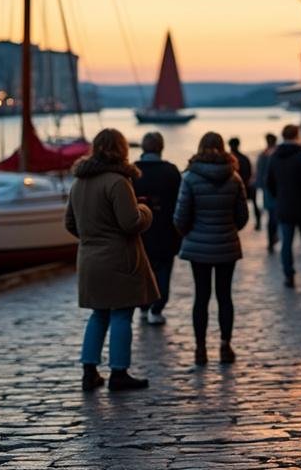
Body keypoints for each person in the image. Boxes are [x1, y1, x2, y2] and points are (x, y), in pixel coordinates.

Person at [65, 129, 156, 392]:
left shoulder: (79, 182)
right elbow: (130, 222)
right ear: (121, 149)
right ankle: (119, 372)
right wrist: (145, 211)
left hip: (89, 258)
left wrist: (91, 237)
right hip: (118, 258)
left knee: (99, 314)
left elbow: (70, 223)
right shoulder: (117, 182)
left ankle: (89, 371)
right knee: (122, 314)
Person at [173, 132, 249, 366]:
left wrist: (190, 233)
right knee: (225, 296)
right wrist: (228, 229)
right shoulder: (234, 177)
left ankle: (200, 349)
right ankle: (226, 346)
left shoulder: (190, 178)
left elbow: (180, 216)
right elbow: (243, 217)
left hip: (198, 246)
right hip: (226, 245)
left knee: (201, 297)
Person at [132, 132, 181, 327]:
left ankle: (143, 307)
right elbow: (180, 203)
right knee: (163, 270)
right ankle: (157, 308)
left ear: (143, 148)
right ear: (161, 148)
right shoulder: (171, 171)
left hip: (138, 232)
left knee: (142, 270)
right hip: (166, 231)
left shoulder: (132, 171)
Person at [265, 125, 301, 288]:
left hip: (284, 205)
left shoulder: (274, 156)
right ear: (297, 135)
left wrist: (279, 197)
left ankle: (289, 276)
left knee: (286, 243)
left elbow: (269, 182)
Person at [255, 133, 278, 247]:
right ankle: (273, 237)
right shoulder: (277, 154)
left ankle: (271, 239)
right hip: (276, 189)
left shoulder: (263, 155)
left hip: (267, 189)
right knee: (275, 215)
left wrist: (259, 187)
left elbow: (259, 173)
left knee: (271, 215)